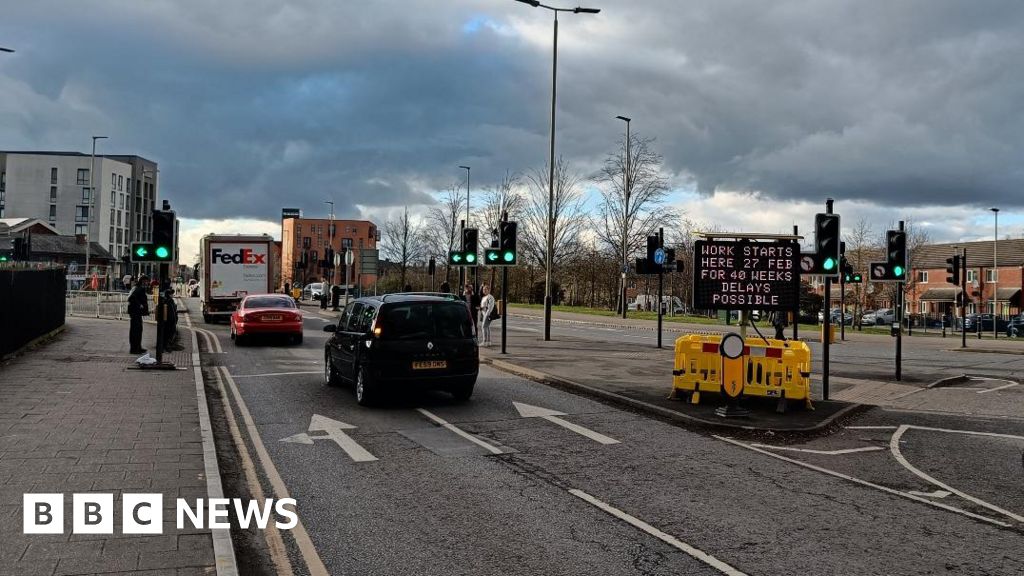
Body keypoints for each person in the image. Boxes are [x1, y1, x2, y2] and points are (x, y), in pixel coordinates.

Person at [127, 274, 150, 354]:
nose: (147, 283)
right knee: (135, 331)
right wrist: (139, 305)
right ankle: (134, 349)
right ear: (143, 281)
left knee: (139, 330)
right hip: (135, 313)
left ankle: (138, 347)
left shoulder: (139, 288)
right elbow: (131, 298)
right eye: (146, 281)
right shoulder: (137, 288)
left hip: (137, 313)